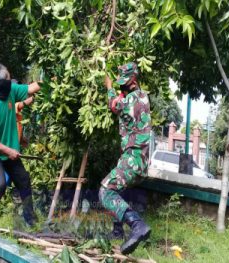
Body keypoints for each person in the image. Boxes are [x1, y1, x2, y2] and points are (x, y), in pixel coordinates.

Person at [0, 64, 41, 237]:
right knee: (0, 184)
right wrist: (8, 151)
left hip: (10, 153)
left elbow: (31, 88)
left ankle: (31, 221)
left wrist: (49, 79)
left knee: (24, 180)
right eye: (8, 79)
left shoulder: (11, 90)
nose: (10, 82)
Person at [99, 62, 152, 254]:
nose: (122, 86)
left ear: (134, 80)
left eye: (124, 83)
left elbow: (113, 105)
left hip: (133, 157)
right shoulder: (143, 97)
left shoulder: (129, 101)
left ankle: (137, 225)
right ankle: (117, 230)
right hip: (139, 159)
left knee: (106, 191)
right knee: (118, 189)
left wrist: (109, 87)